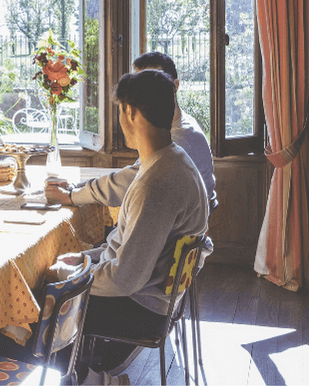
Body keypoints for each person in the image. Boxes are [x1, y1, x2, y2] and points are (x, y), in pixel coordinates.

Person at [49, 70, 209, 380]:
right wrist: (87, 259)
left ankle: (85, 375)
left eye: (119, 110)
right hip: (155, 300)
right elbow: (125, 254)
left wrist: (73, 275)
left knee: (41, 304)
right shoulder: (169, 160)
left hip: (141, 311)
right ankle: (90, 376)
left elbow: (124, 278)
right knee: (52, 288)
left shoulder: (157, 184)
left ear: (130, 112)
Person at [45, 51, 216, 211]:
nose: (144, 92)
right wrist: (75, 187)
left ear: (175, 86)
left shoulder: (181, 137)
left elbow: (136, 181)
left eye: (154, 82)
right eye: (139, 84)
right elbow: (136, 173)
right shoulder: (168, 128)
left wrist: (71, 195)